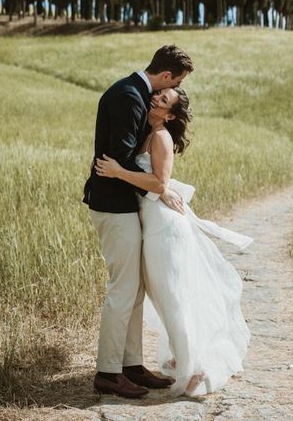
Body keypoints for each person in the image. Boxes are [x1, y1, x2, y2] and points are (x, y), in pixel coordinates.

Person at [95, 86, 253, 397]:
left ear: (169, 115)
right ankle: (187, 359)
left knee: (172, 298)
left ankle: (195, 369)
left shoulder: (161, 137)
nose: (155, 98)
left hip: (163, 228)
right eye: (158, 95)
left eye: (163, 100)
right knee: (163, 296)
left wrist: (116, 172)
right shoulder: (148, 132)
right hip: (152, 223)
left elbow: (158, 183)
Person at [84, 44, 194, 398]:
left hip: (124, 204)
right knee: (122, 290)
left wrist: (159, 187)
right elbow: (117, 158)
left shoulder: (129, 92)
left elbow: (125, 156)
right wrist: (160, 189)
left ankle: (130, 365)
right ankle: (108, 373)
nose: (164, 93)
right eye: (172, 83)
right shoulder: (131, 96)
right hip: (114, 205)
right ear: (166, 76)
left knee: (133, 290)